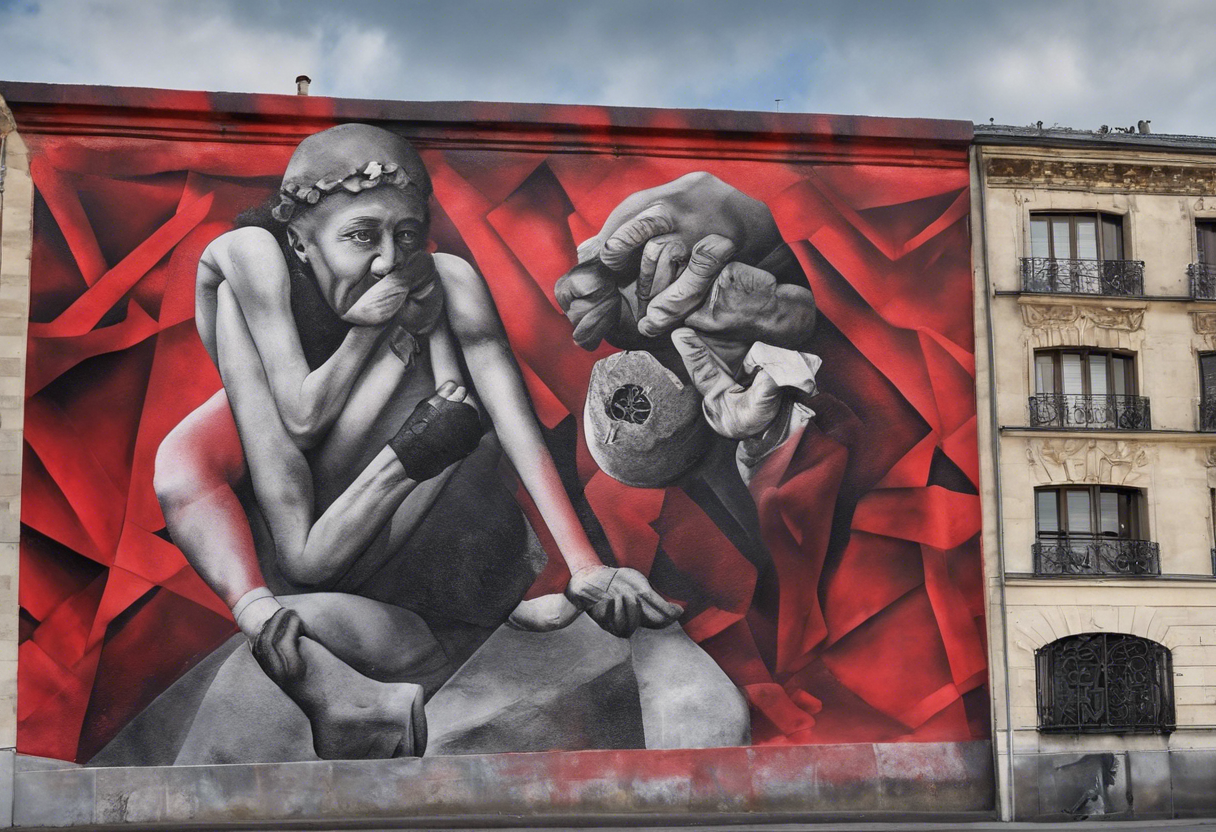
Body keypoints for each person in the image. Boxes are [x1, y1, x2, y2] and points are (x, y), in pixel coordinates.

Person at [153, 124, 682, 760]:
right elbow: (299, 416)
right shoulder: (252, 255)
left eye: (406, 234)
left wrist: (585, 565)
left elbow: (517, 424)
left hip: (384, 533)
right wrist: (370, 332)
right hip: (277, 421)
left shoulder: (437, 278)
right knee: (190, 472)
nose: (388, 259)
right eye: (360, 235)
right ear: (299, 239)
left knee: (448, 383)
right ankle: (274, 625)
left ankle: (370, 618)